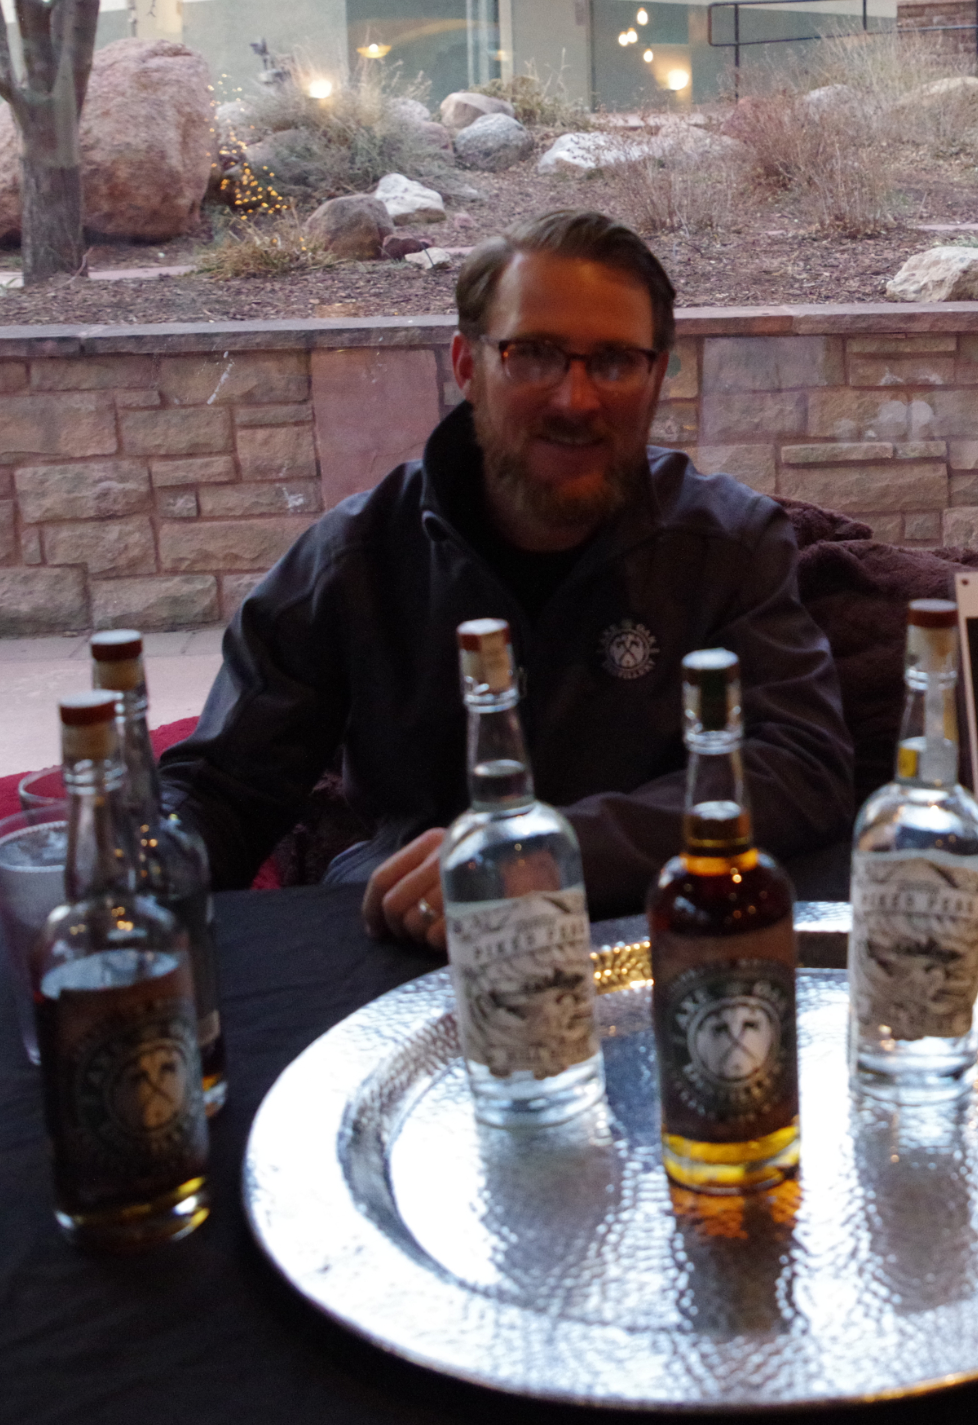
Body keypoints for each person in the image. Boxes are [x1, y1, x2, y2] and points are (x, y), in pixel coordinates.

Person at [159, 210, 853, 949]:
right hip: (411, 946)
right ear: (467, 366)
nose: (575, 400)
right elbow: (221, 789)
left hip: (652, 938)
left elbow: (802, 766)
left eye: (615, 361)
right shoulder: (354, 559)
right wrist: (138, 874)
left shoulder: (728, 548)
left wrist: (551, 853)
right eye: (535, 354)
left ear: (655, 379)